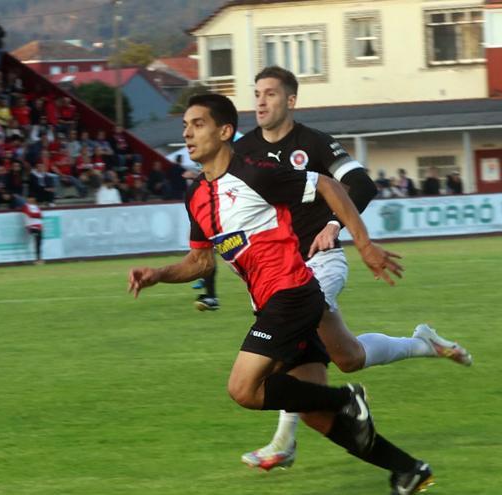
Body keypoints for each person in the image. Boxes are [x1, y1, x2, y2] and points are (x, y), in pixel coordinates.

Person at [130, 93, 434, 495]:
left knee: (243, 389)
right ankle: (408, 469)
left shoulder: (255, 174)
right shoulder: (196, 197)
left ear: (224, 132)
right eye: (185, 126)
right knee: (314, 414)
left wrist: (363, 244)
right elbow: (201, 264)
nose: (187, 133)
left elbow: (328, 185)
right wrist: (158, 274)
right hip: (273, 305)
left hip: (291, 294)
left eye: (198, 124)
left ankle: (346, 397)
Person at [233, 67, 471, 472]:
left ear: (290, 100)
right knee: (348, 357)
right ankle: (424, 344)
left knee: (292, 333)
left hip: (319, 262)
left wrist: (334, 224)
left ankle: (284, 441)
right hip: (275, 270)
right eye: (256, 93)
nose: (260, 101)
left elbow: (361, 186)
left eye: (270, 94)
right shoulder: (243, 151)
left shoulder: (315, 143)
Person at [22, 195, 44, 265]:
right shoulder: (26, 206)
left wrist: (36, 215)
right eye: (30, 198)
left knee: (39, 243)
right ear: (28, 199)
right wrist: (37, 215)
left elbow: (40, 215)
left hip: (39, 226)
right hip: (32, 227)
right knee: (37, 242)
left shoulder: (36, 206)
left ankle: (38, 259)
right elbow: (30, 214)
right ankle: (37, 259)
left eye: (33, 198)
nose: (32, 199)